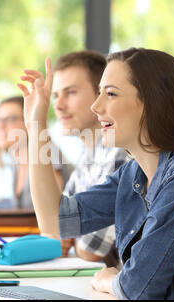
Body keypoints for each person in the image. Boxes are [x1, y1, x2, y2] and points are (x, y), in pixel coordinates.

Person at [17, 47, 174, 299]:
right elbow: (56, 220)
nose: (96, 106)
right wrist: (36, 125)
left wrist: (110, 279)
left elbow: (138, 287)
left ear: (152, 103)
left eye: (111, 94)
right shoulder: (134, 174)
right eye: (98, 94)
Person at [51, 50, 128, 267]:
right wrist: (68, 235)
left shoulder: (118, 152)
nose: (58, 105)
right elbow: (59, 225)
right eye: (56, 95)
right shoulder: (88, 157)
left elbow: (91, 251)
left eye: (70, 93)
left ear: (100, 94)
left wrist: (71, 239)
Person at [0, 96, 72, 209]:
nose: (0, 126)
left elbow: (52, 208)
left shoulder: (47, 150)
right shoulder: (15, 159)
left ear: (29, 121)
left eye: (11, 119)